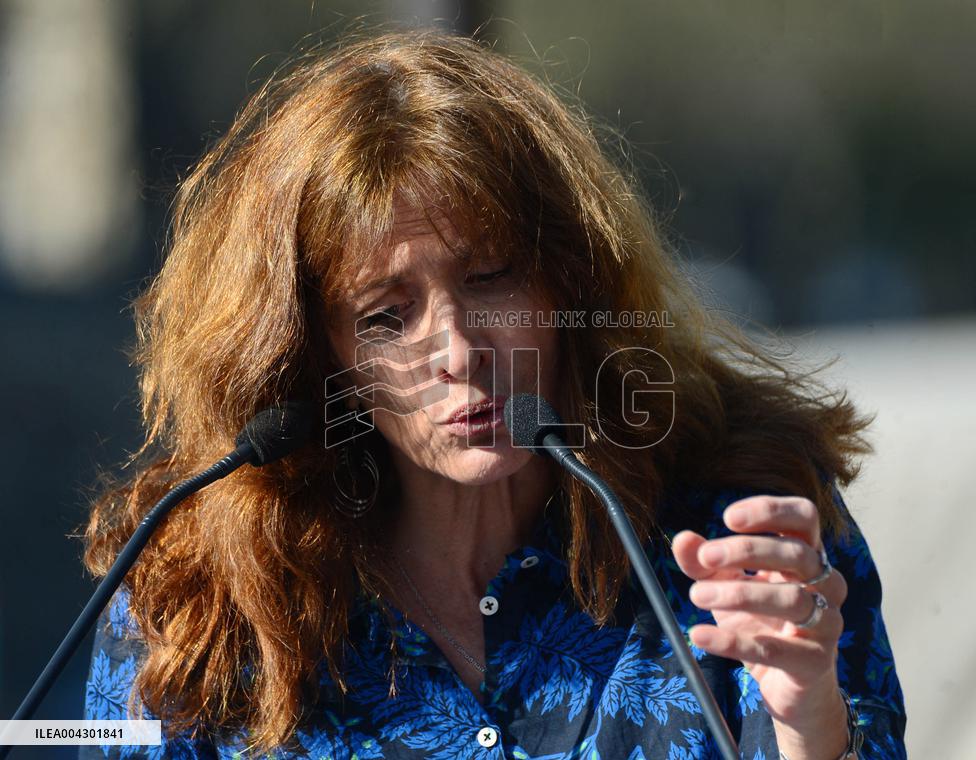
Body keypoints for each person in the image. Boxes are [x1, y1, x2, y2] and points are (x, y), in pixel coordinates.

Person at [80, 27, 906, 759]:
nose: (459, 351)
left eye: (489, 278)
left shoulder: (745, 514)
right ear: (316, 355)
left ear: (569, 277)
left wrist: (812, 730)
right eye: (385, 316)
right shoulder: (192, 599)